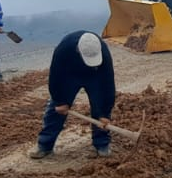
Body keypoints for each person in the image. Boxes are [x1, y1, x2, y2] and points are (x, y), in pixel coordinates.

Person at [29, 30, 115, 159]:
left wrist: (104, 112)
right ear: (78, 50)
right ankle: (45, 145)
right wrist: (59, 101)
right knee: (55, 110)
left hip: (95, 75)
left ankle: (102, 144)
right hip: (70, 75)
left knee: (100, 109)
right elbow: (55, 76)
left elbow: (107, 84)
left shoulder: (103, 52)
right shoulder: (64, 49)